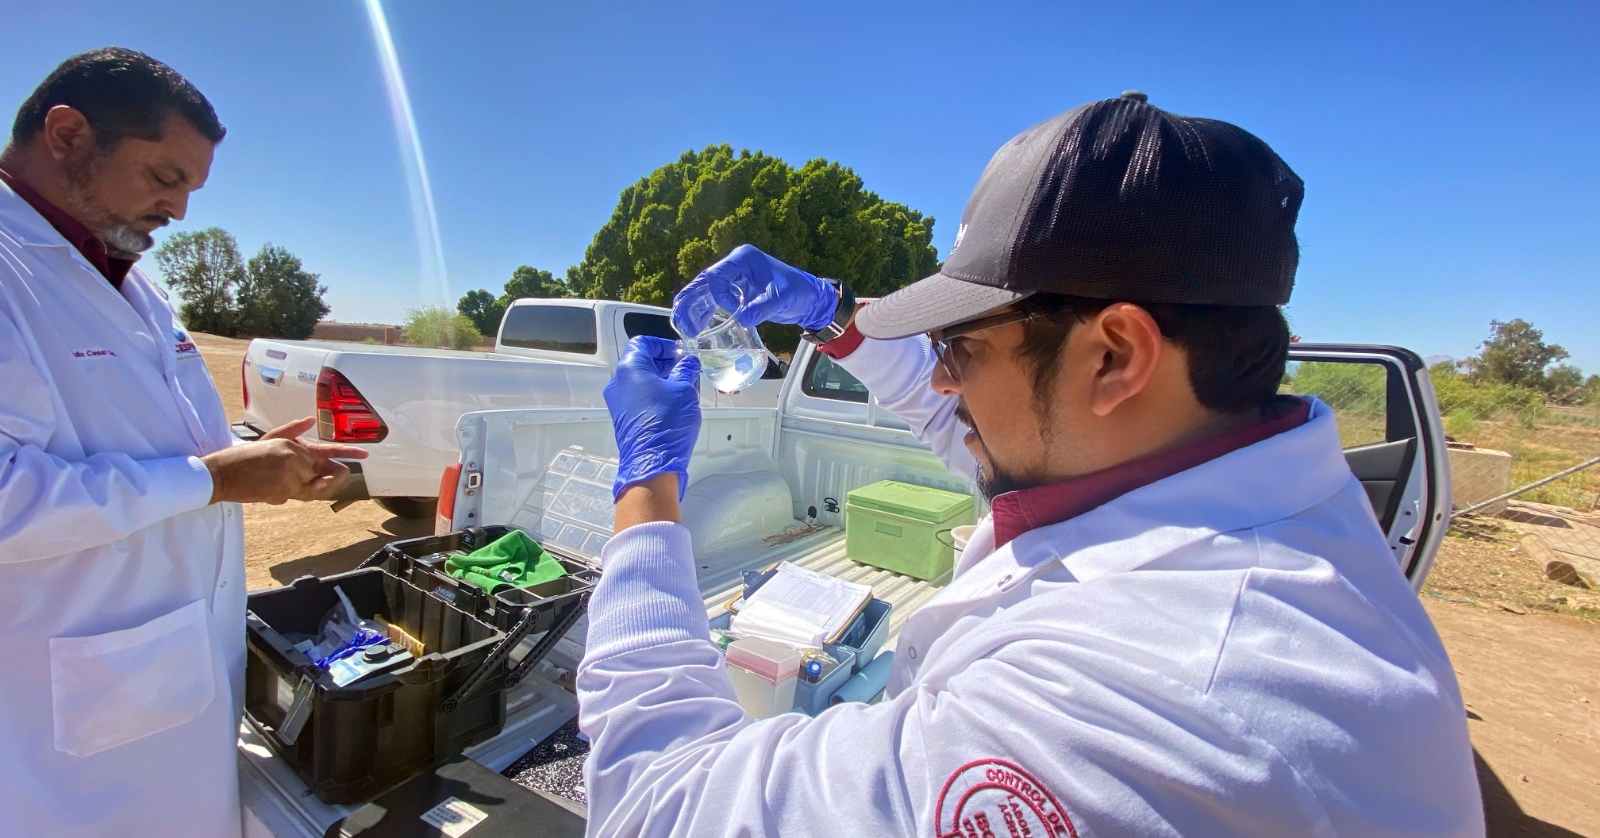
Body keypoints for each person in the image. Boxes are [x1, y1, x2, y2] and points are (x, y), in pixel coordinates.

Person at [581, 94, 1483, 836]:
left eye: (960, 346)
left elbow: (659, 801)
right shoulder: (1224, 486)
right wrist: (830, 315)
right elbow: (977, 424)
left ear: (1116, 355)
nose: (937, 375)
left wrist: (648, 482)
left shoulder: (1154, 702)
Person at [0, 48, 366, 837]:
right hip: (67, 726)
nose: (180, 213)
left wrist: (257, 456)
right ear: (65, 133)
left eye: (192, 190)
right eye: (165, 178)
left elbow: (145, 433)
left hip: (170, 681)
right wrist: (215, 479)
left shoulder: (132, 278)